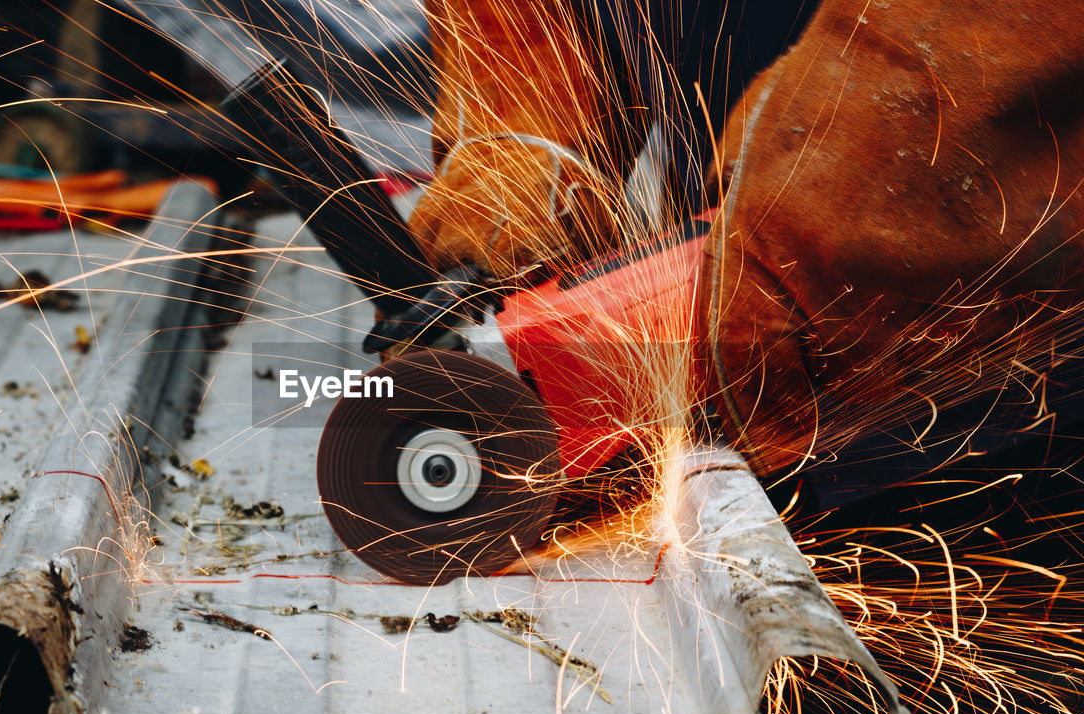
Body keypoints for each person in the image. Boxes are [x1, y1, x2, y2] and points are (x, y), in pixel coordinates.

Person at [406, 0, 1084, 483]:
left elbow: (977, 45)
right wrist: (524, 121)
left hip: (1000, 306)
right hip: (732, 225)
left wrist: (792, 263)